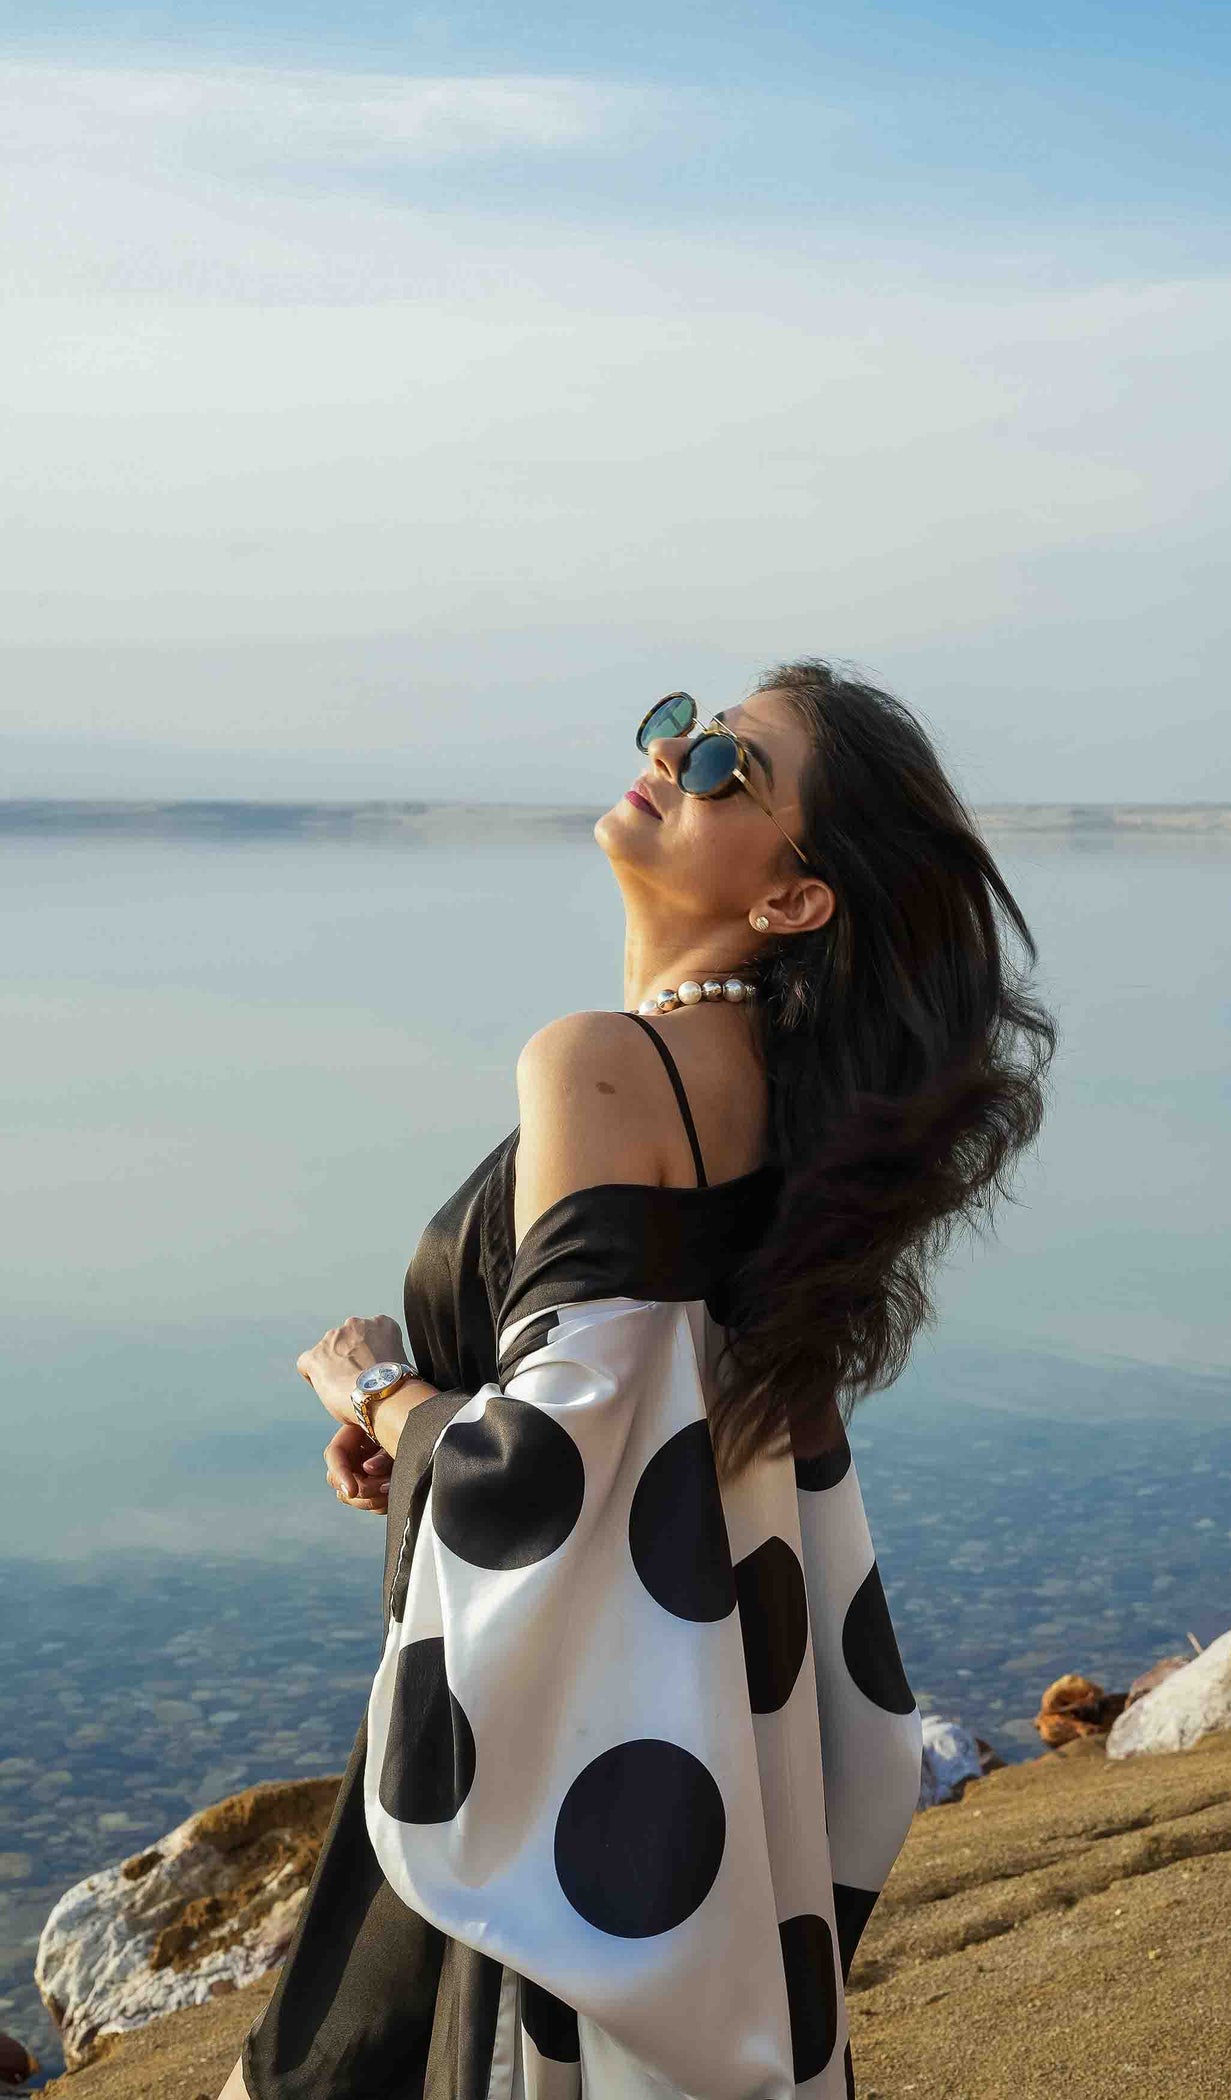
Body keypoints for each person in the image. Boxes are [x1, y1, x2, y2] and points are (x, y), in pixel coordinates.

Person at [221, 661, 1055, 2100]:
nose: (672, 756)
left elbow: (546, 1468)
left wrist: (380, 1395)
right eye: (682, 728)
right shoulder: (777, 1107)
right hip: (683, 1733)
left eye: (730, 763)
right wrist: (432, 1447)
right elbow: (663, 1436)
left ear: (794, 900)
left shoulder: (602, 1065)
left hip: (550, 1754)